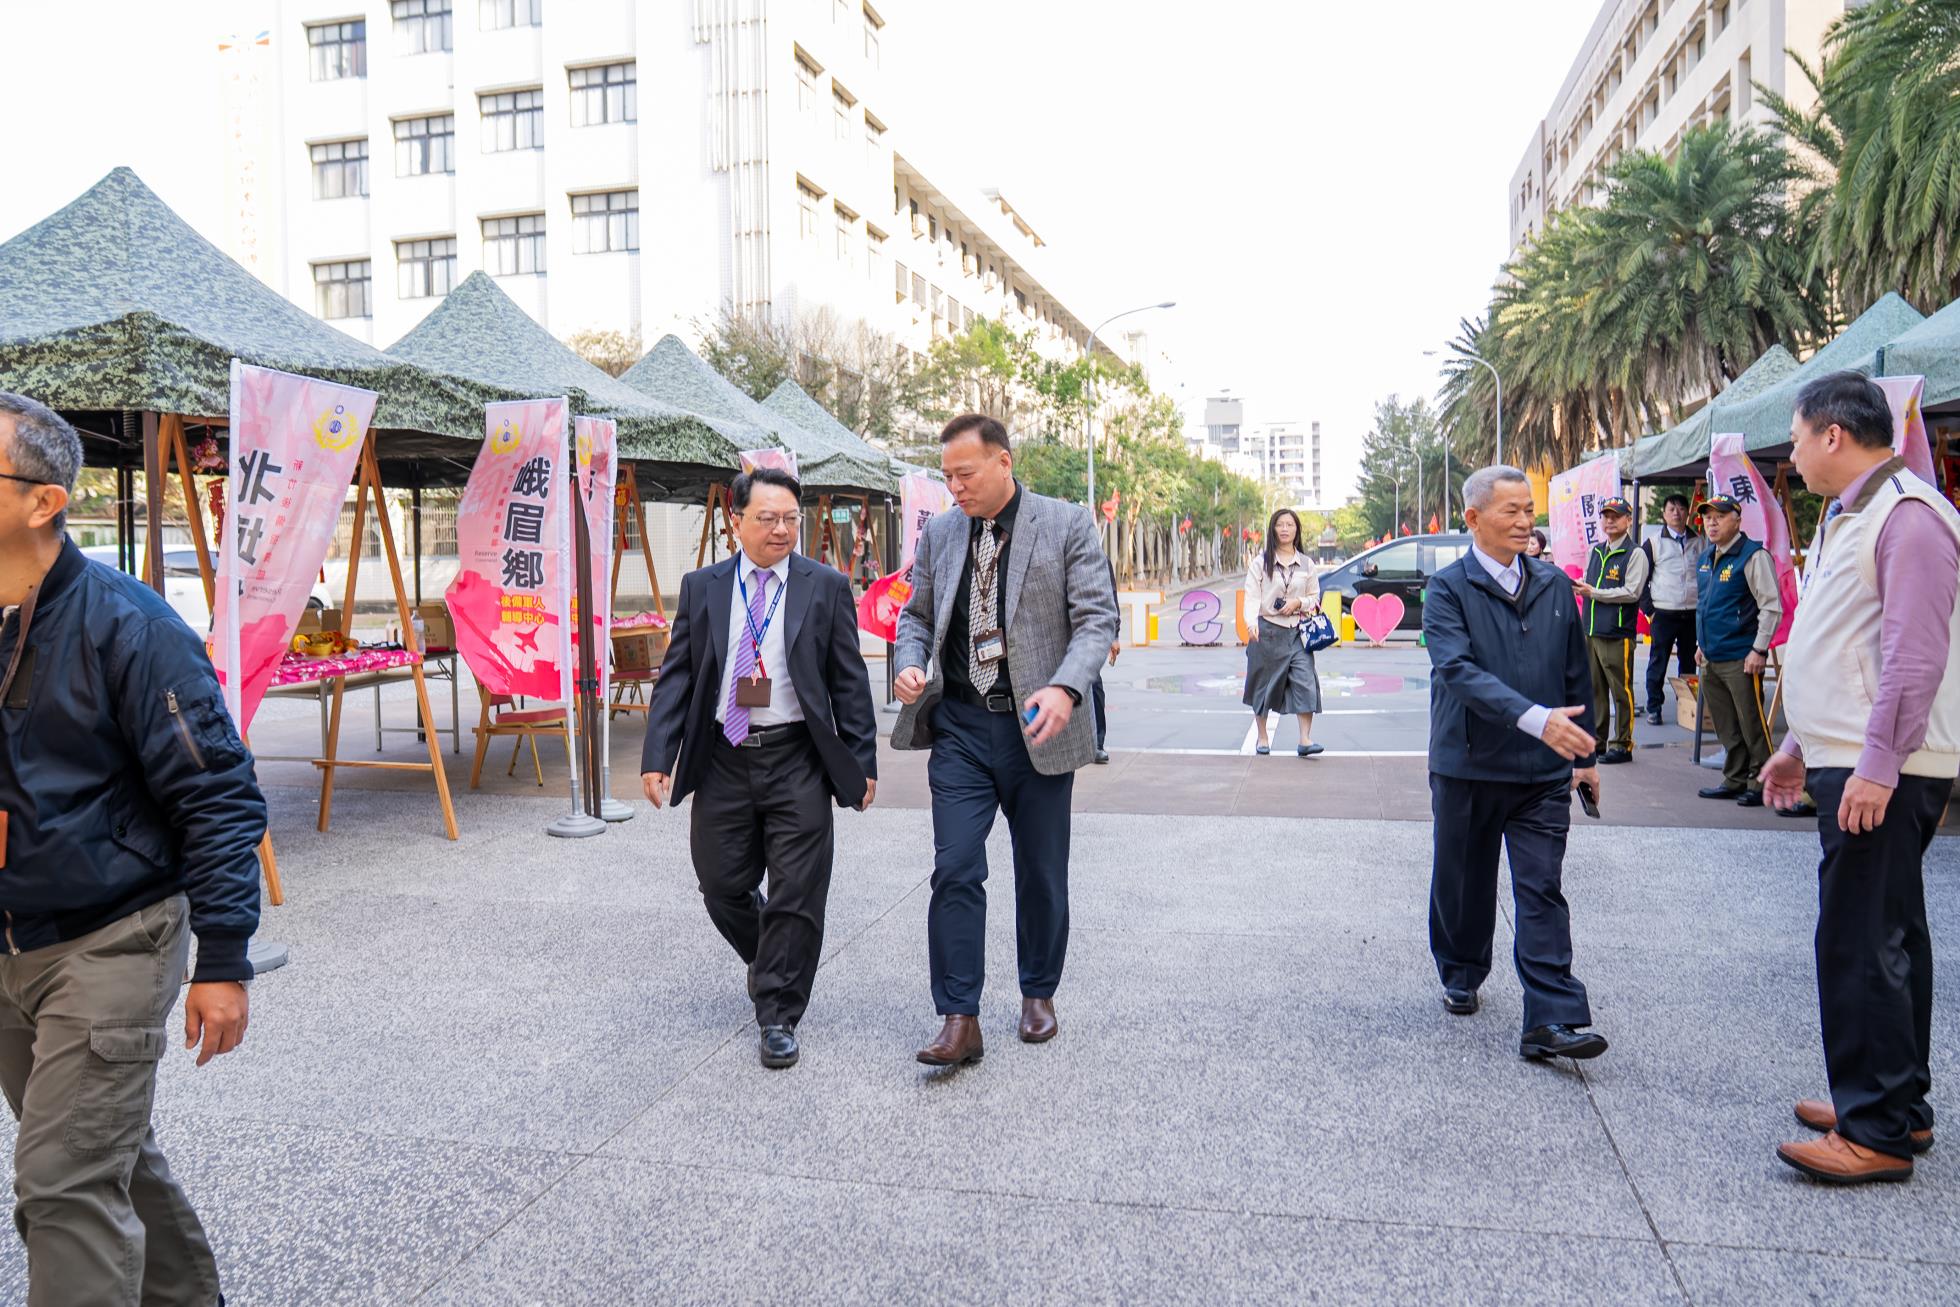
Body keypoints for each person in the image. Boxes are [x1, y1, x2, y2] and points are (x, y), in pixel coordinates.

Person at [0, 392, 263, 1304]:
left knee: (62, 1180)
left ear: (43, 501)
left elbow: (220, 793)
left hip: (116, 931)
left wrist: (223, 956)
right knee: (98, 1147)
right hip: (12, 935)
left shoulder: (131, 624)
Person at [1760, 371, 1960, 1185]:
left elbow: (1914, 657)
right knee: (1890, 933)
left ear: (1834, 435)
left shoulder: (1908, 516)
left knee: (1859, 942)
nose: (1795, 454)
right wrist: (1800, 741)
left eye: (1799, 437)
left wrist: (1875, 765)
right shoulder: (1859, 513)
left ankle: (1873, 1127)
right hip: (1856, 758)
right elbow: (1846, 643)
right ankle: (1895, 1105)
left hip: (1885, 769)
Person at [892, 414, 1119, 1067]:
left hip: (1037, 726)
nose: (954, 487)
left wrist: (1066, 688)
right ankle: (959, 1016)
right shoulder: (940, 533)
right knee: (956, 866)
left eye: (964, 474)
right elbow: (916, 615)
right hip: (961, 724)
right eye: (947, 476)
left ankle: (1037, 991)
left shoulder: (1067, 523)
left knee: (1042, 871)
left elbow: (1097, 618)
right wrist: (911, 662)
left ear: (1003, 463)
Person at [640, 466, 879, 1070]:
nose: (781, 530)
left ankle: (777, 1012)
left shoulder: (824, 585)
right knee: (720, 882)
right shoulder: (705, 587)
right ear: (736, 522)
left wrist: (862, 762)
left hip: (798, 755)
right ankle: (772, 956)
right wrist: (657, 757)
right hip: (723, 755)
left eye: (790, 519)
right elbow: (678, 678)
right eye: (768, 519)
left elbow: (849, 682)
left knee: (799, 889)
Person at [1423, 465, 1607, 1063]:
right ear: (1474, 519)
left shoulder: (1555, 586)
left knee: (1542, 889)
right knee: (1464, 882)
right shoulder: (1447, 590)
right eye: (1512, 511)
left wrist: (1586, 753)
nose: (1526, 522)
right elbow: (1458, 672)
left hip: (1542, 772)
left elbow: (1577, 673)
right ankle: (1461, 968)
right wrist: (1535, 716)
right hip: (1469, 767)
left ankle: (1552, 1017)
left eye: (1530, 510)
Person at [1691, 495, 1782, 808]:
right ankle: (1735, 778)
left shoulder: (1752, 555)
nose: (1712, 522)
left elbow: (1771, 606)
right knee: (1726, 725)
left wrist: (1759, 649)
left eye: (1720, 516)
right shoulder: (1706, 558)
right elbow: (1705, 607)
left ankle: (1762, 782)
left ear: (1737, 519)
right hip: (1712, 656)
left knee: (1751, 723)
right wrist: (1701, 646)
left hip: (1743, 656)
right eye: (1707, 517)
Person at [1240, 509, 1324, 757]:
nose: (1285, 529)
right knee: (1262, 685)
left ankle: (1305, 740)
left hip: (1298, 632)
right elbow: (1252, 595)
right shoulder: (1261, 562)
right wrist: (1251, 623)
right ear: (1273, 529)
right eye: (1280, 524)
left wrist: (1298, 603)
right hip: (1267, 630)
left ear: (1297, 530)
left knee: (1305, 679)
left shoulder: (1307, 564)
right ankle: (1263, 737)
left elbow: (1314, 597)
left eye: (1290, 524)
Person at [1572, 497, 1647, 764]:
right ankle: (1599, 741)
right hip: (1591, 630)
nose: (1610, 520)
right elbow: (1590, 586)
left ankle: (1623, 744)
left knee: (1620, 691)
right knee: (1595, 690)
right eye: (1605, 515)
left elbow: (1632, 592)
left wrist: (1594, 592)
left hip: (1616, 633)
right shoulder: (1596, 551)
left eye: (1616, 515)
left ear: (1629, 519)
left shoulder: (1634, 553)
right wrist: (1583, 587)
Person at [1643, 493, 1700, 725]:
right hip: (1664, 612)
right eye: (1671, 509)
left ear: (1688, 512)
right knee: (1659, 660)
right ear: (1664, 514)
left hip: (1692, 612)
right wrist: (1650, 610)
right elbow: (1639, 580)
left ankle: (1687, 707)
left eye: (1681, 508)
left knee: (1689, 662)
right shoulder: (1654, 543)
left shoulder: (1700, 541)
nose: (1676, 512)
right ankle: (1654, 706)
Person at [1091, 557, 1118, 764]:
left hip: (1086, 634)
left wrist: (1114, 635)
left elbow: (1111, 596)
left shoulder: (1097, 557)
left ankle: (1097, 744)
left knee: (1093, 686)